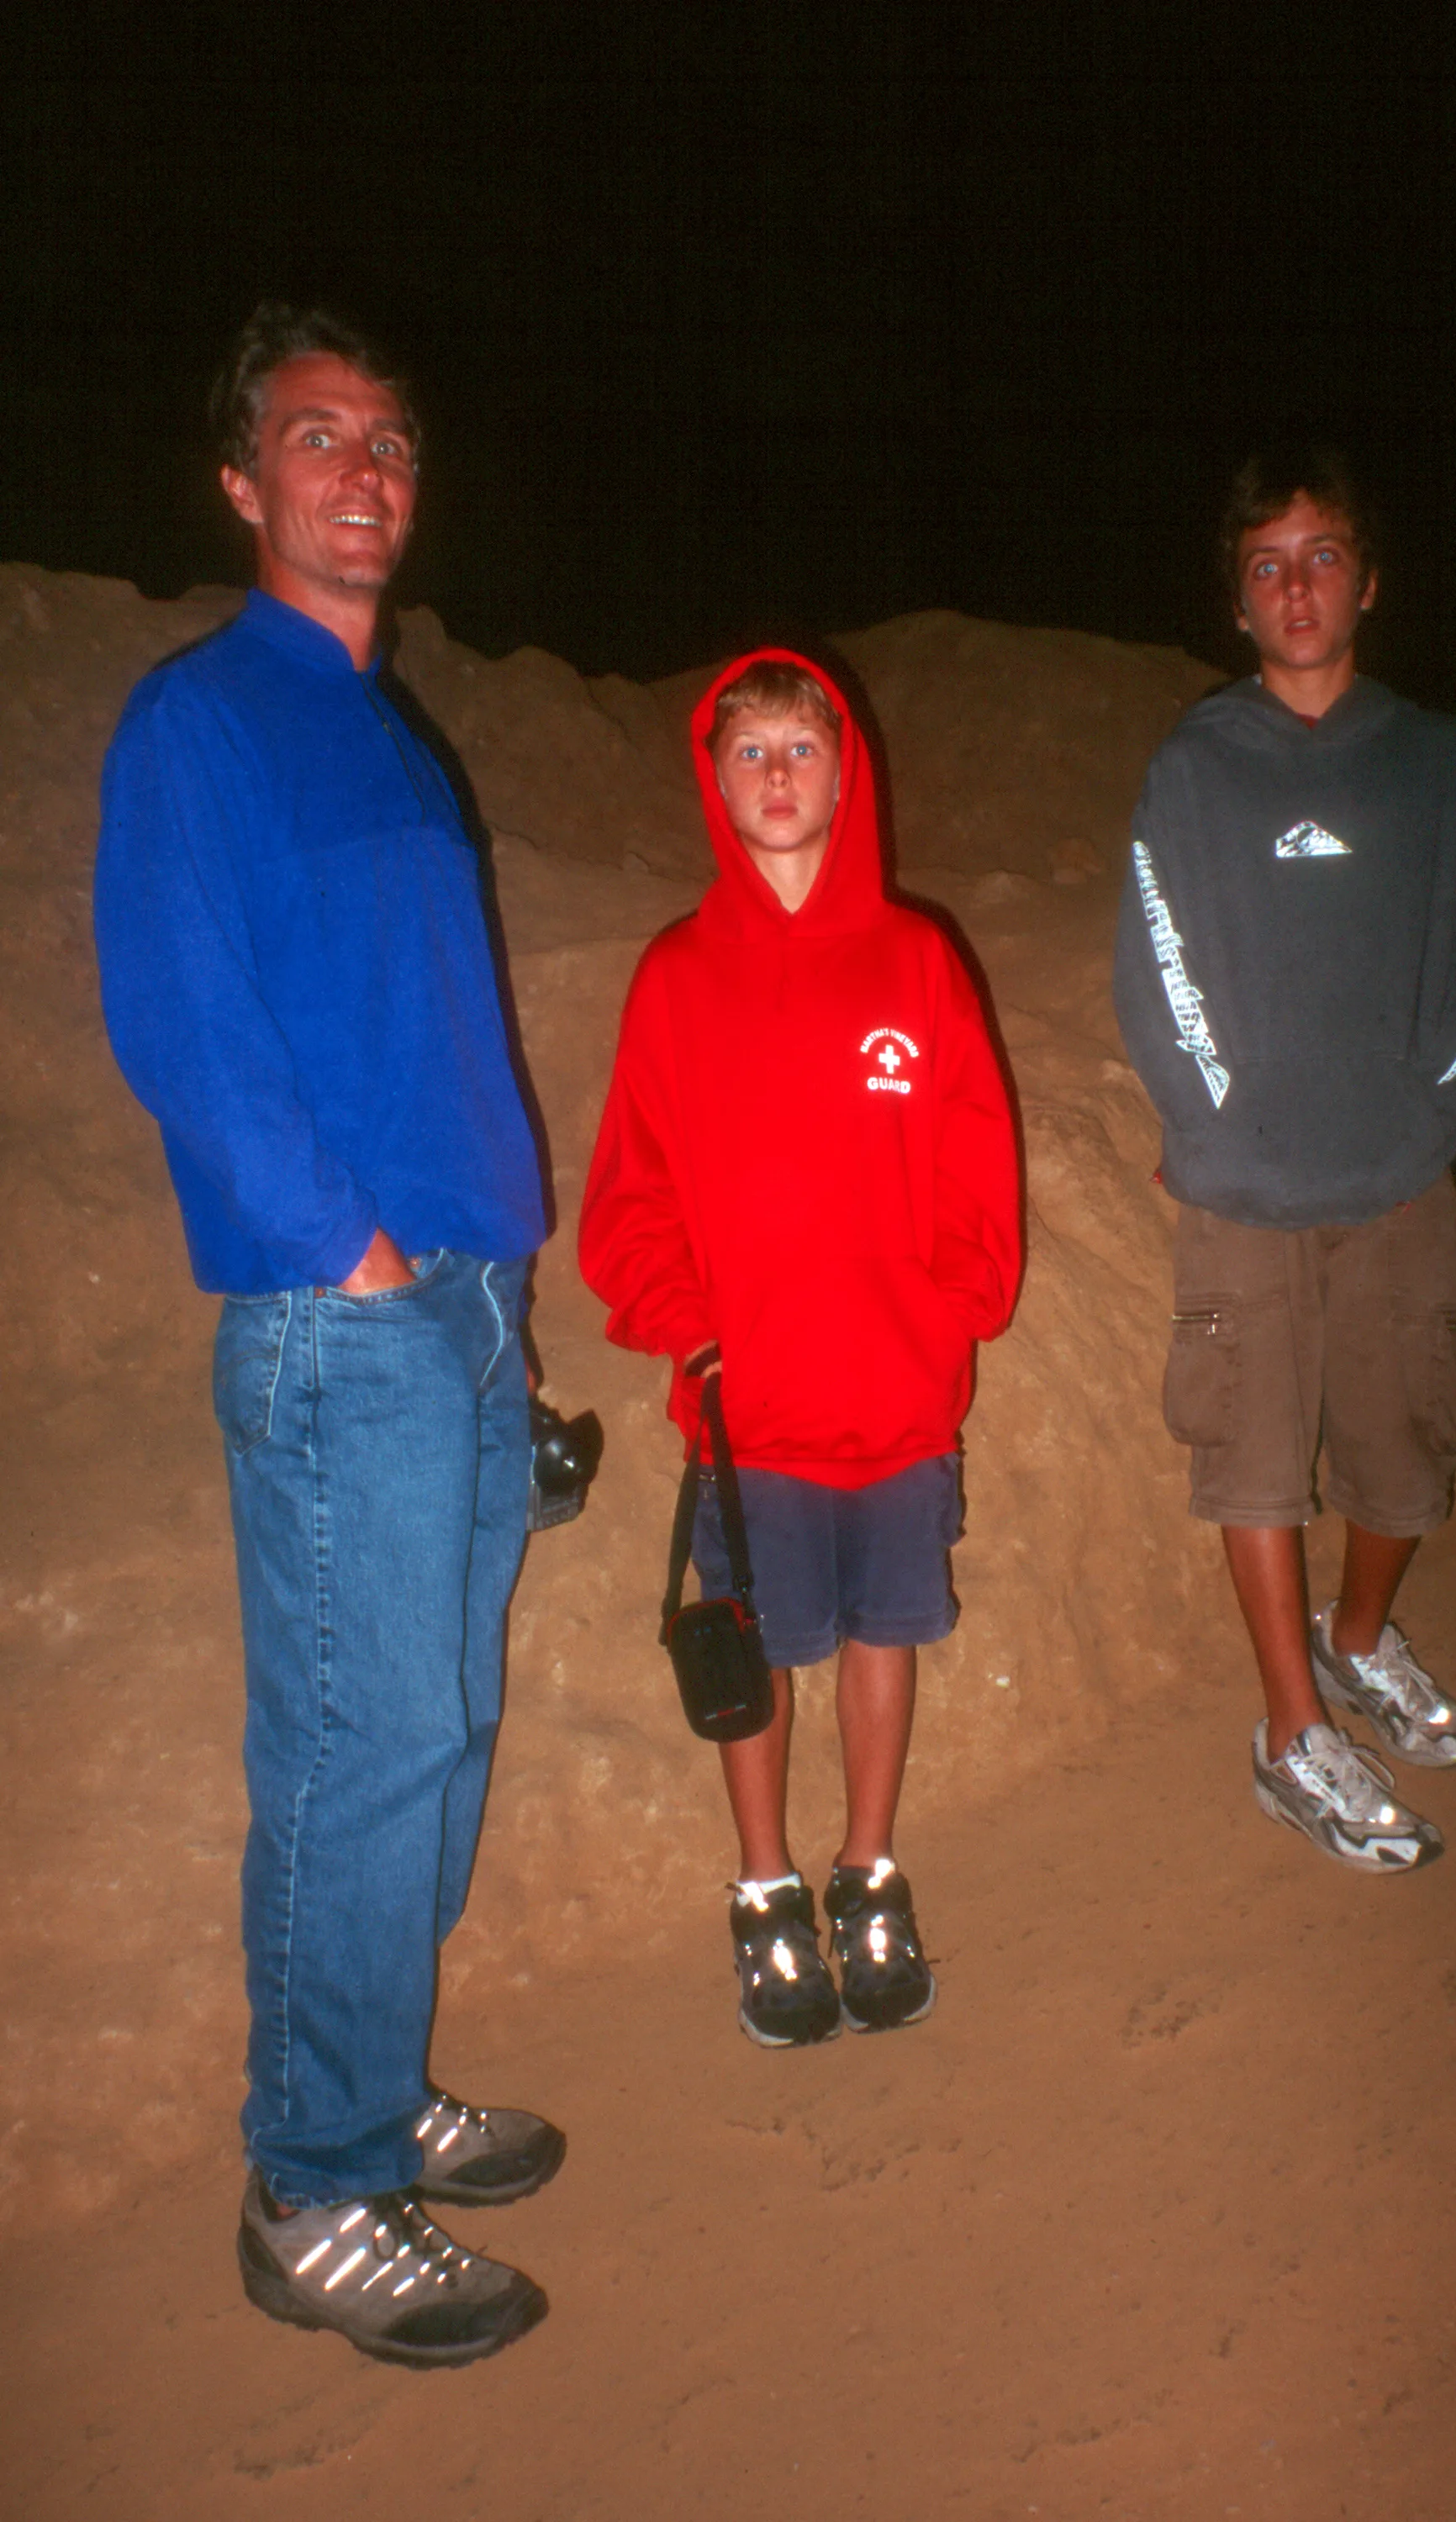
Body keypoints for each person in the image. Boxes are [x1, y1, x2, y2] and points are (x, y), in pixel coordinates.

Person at [94, 304, 560, 2365]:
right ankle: (316, 2185)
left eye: (387, 438)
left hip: (462, 1302)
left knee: (435, 1738)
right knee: (361, 1758)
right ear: (241, 484)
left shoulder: (392, 728)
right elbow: (182, 1019)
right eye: (315, 437)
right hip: (340, 1317)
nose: (363, 470)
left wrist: (486, 1289)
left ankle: (374, 2082)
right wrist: (352, 1256)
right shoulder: (203, 716)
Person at [579, 650, 1020, 2042]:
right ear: (713, 779)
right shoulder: (676, 980)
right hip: (748, 1409)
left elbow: (977, 1166)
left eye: (802, 750)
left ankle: (866, 1867)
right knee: (753, 1649)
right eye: (751, 751)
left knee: (888, 1634)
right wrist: (690, 1335)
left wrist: (948, 1305)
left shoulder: (916, 960)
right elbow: (629, 1196)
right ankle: (765, 1884)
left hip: (894, 1398)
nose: (778, 775)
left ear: (848, 770)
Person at [1111, 448, 1456, 1873]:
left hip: (1403, 1182)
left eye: (1322, 555)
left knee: (1409, 1445)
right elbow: (1156, 966)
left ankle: (1358, 1643)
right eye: (1268, 562)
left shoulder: (1440, 764)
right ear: (1238, 599)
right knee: (1257, 1462)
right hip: (1244, 1194)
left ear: (1368, 581)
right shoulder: (1198, 766)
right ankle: (1292, 1731)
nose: (1297, 583)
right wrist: (1218, 1127)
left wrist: (1431, 1117)